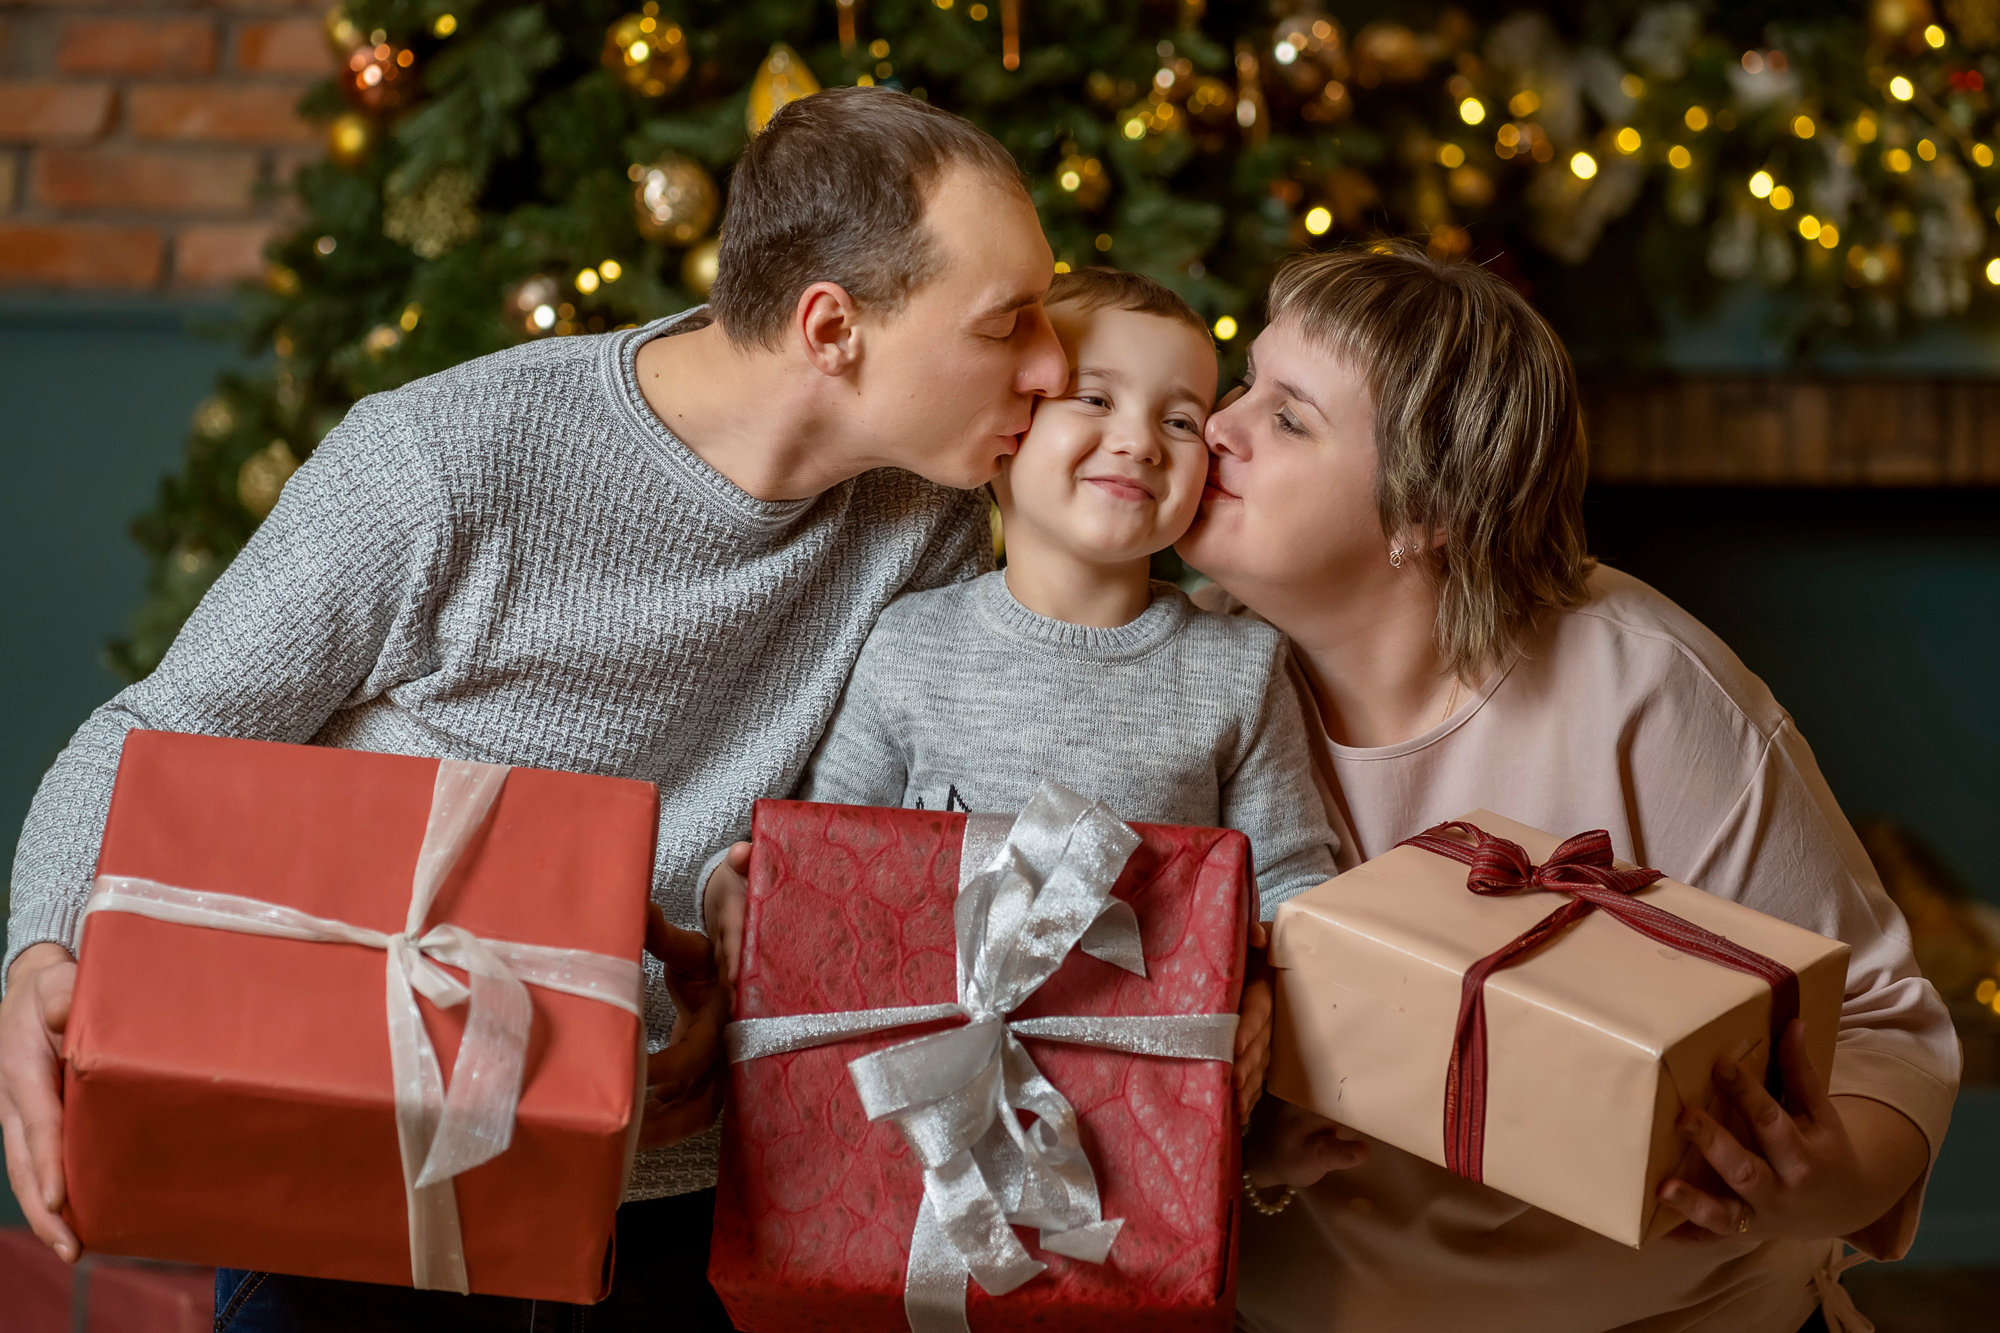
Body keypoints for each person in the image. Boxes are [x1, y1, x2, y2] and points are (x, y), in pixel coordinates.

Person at [0, 86, 1067, 1331]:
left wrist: (741, 976)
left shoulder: (929, 517)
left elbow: (877, 840)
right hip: (370, 1170)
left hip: (696, 1201)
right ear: (831, 327)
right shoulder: (444, 460)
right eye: (1008, 325)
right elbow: (152, 734)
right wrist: (37, 956)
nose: (1052, 364)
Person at [1177, 242, 1959, 1333]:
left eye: (1289, 416)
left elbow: (1883, 1025)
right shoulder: (1164, 686)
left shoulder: (1643, 689)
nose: (1215, 423)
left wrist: (1813, 1181)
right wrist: (1226, 1133)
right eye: (1243, 381)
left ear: (1425, 513)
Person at [736, 269, 1339, 1120]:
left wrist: (1270, 991)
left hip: (1144, 1100)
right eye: (1094, 400)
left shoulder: (1238, 666)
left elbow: (1287, 878)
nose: (1138, 441)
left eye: (1178, 419)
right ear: (1010, 432)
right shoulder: (911, 642)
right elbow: (831, 857)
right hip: (918, 1088)